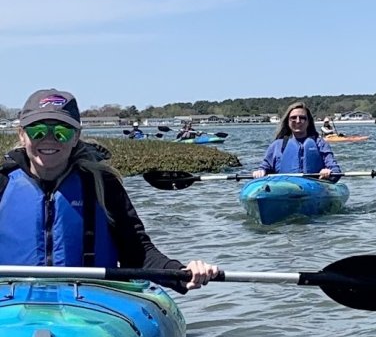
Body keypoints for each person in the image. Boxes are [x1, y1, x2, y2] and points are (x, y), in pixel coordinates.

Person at [0, 88, 217, 294]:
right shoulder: (3, 183)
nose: (48, 140)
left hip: (90, 301)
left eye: (61, 132)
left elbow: (138, 252)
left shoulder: (102, 183)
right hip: (13, 301)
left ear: (76, 137)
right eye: (37, 131)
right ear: (21, 135)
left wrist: (180, 272)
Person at [253, 101, 342, 180]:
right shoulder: (276, 145)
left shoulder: (320, 144)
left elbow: (335, 170)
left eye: (302, 118)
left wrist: (328, 172)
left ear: (308, 122)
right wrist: (260, 172)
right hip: (284, 188)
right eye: (293, 118)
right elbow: (265, 167)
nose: (298, 121)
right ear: (288, 121)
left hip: (313, 188)